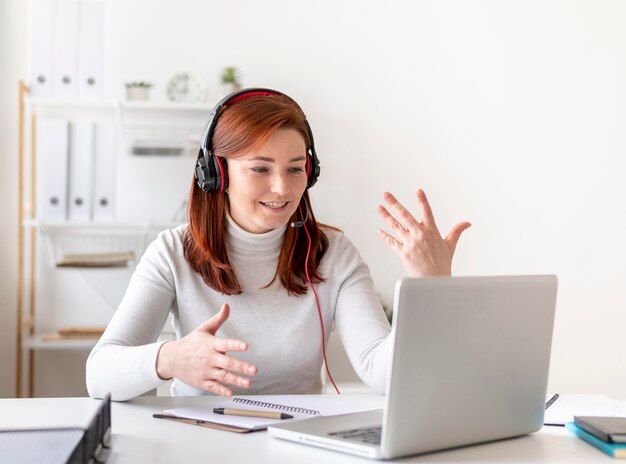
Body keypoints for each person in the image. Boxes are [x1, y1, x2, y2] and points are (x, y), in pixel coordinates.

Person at [86, 89, 470, 401]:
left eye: (294, 168)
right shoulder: (172, 252)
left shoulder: (333, 254)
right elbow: (98, 375)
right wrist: (168, 358)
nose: (283, 189)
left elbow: (380, 370)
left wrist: (431, 283)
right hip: (199, 445)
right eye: (260, 168)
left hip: (299, 445)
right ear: (217, 173)